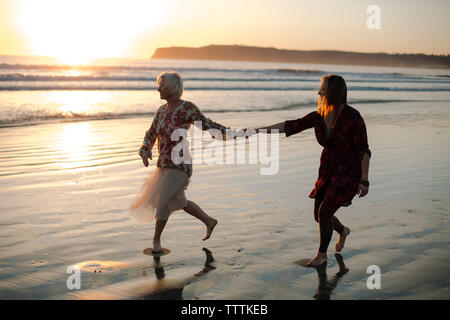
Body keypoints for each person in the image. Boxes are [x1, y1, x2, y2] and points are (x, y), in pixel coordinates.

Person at [254, 74, 371, 267]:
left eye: (323, 89)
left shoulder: (353, 117)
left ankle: (322, 255)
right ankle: (343, 231)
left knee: (325, 212)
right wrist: (257, 131)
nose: (319, 92)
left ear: (333, 92)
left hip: (348, 171)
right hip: (327, 169)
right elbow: (289, 126)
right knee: (318, 215)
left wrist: (364, 180)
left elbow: (363, 150)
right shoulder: (319, 116)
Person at [130, 71, 237, 254]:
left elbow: (207, 124)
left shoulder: (187, 108)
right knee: (178, 200)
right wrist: (145, 149)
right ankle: (209, 221)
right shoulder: (161, 111)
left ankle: (156, 242)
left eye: (161, 85)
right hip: (164, 163)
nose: (158, 89)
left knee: (163, 202)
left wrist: (231, 132)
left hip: (180, 164)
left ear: (171, 88)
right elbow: (151, 132)